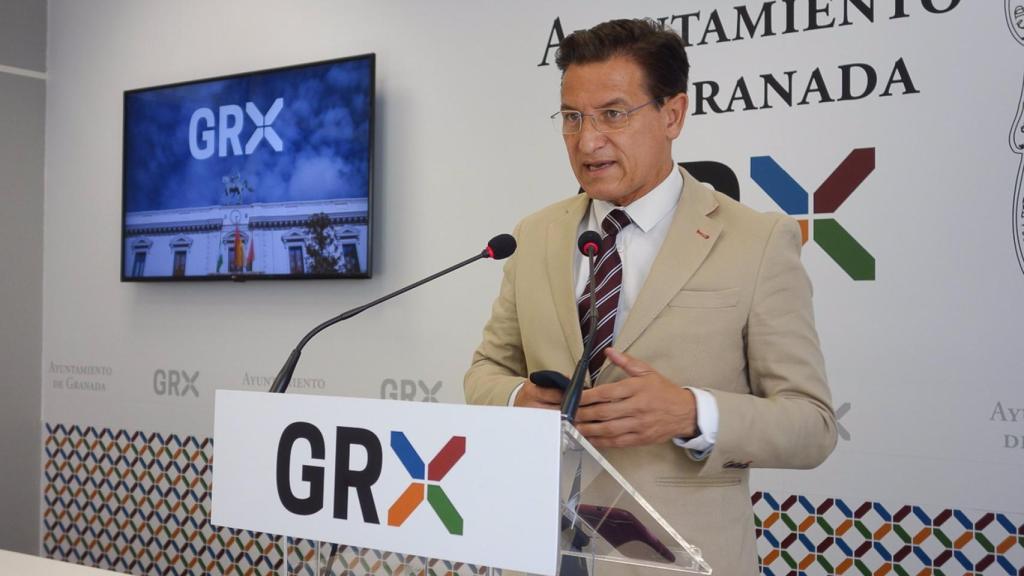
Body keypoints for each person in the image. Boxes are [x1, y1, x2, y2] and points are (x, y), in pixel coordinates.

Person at [464, 18, 836, 576]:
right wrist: (520, 399)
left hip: (680, 560)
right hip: (536, 550)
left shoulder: (757, 241)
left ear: (673, 115)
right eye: (572, 117)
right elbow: (485, 372)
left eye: (613, 114)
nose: (587, 141)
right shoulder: (535, 234)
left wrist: (690, 412)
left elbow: (812, 427)